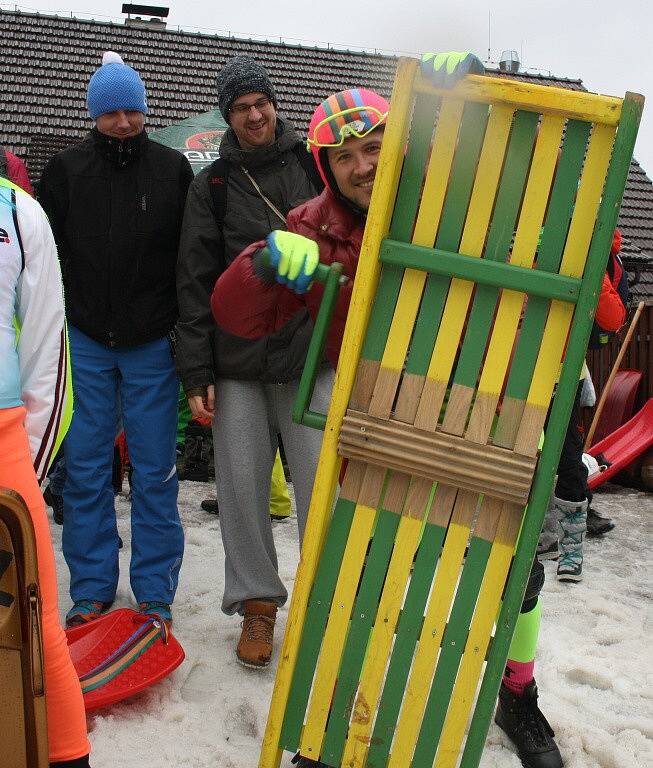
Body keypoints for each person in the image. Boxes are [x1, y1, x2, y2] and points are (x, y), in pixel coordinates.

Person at [212, 53, 565, 768]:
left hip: (480, 402)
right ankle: (333, 721)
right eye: (343, 157)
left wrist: (468, 98)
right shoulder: (311, 225)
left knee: (512, 567)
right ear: (323, 166)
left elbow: (531, 178)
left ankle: (517, 696)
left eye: (374, 146)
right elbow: (237, 317)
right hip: (377, 419)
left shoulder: (449, 200)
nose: (363, 166)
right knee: (359, 578)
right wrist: (262, 266)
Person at [176, 56, 330, 669]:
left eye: (260, 102)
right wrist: (196, 373)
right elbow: (193, 281)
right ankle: (258, 606)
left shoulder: (313, 165)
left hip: (311, 354)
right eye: (240, 107)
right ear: (228, 117)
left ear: (274, 102)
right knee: (240, 489)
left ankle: (325, 601)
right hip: (235, 361)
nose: (254, 114)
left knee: (324, 487)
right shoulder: (209, 186)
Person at [39, 51, 192, 628]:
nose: (123, 122)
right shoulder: (65, 172)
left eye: (132, 110)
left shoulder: (172, 169)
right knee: (85, 469)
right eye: (111, 113)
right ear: (93, 115)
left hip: (153, 342)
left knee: (154, 471)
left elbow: (187, 255)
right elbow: (45, 257)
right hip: (84, 342)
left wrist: (181, 326)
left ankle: (155, 589)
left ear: (145, 111)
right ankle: (93, 588)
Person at [0, 175, 90, 766]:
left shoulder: (16, 210)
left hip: (3, 443)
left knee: (33, 626)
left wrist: (19, 473)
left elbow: (45, 359)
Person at [538, 229, 627, 580]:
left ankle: (571, 550)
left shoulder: (591, 249)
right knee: (526, 458)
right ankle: (543, 538)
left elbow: (613, 317)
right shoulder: (537, 237)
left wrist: (591, 271)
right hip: (518, 371)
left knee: (567, 459)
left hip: (563, 375)